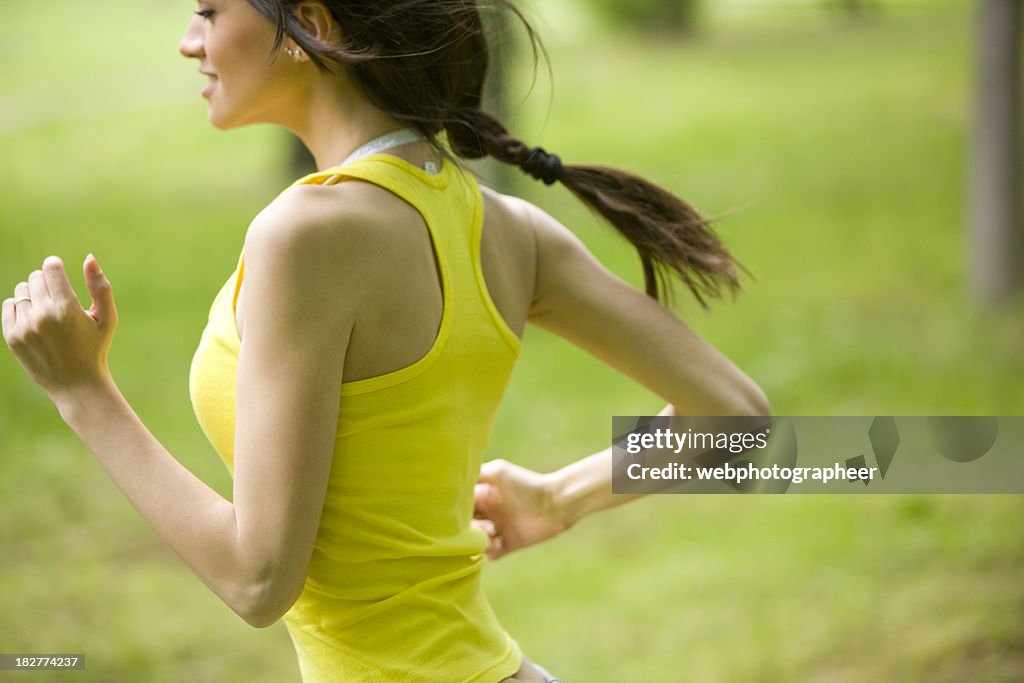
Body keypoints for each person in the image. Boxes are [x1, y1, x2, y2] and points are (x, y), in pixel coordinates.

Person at [0, 1, 769, 681]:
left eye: (208, 11)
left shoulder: (307, 235)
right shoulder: (507, 229)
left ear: (313, 25)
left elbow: (258, 580)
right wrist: (560, 498)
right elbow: (739, 417)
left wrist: (82, 392)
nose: (187, 41)